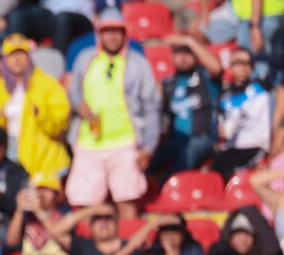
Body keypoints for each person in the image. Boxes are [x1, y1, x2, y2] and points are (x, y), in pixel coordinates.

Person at [66, 9, 160, 219]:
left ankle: (129, 238)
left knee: (127, 199)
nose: (112, 36)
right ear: (99, 34)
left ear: (125, 34)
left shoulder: (137, 63)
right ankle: (88, 241)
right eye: (107, 31)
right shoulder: (85, 58)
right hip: (89, 142)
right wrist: (79, 105)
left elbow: (152, 106)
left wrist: (149, 146)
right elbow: (74, 92)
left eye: (117, 31)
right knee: (87, 204)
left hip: (125, 142)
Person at [0, 34, 71, 177]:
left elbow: (60, 125)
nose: (17, 59)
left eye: (21, 53)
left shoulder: (49, 85)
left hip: (44, 159)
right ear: (5, 59)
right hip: (8, 154)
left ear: (29, 57)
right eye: (12, 55)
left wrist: (41, 115)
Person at [151, 35, 221, 176]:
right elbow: (159, 112)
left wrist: (190, 41)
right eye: (179, 53)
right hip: (174, 140)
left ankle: (168, 186)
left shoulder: (205, 77)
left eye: (188, 53)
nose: (183, 58)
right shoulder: (168, 83)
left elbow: (217, 68)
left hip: (202, 139)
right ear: (172, 57)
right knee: (146, 163)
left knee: (180, 166)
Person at [213, 47, 271, 180]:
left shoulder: (262, 86)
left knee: (232, 175)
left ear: (252, 66)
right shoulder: (224, 96)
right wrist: (220, 131)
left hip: (256, 145)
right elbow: (220, 121)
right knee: (213, 177)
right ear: (230, 67)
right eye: (238, 63)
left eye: (247, 63)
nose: (242, 67)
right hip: (231, 147)